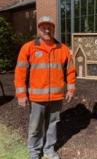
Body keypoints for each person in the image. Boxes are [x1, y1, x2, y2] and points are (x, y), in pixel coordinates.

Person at [14, 16, 76, 159]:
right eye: (44, 27)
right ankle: (34, 152)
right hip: (36, 98)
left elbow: (71, 71)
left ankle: (49, 150)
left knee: (52, 125)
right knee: (35, 126)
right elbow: (20, 73)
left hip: (56, 97)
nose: (47, 30)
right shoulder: (29, 47)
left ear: (54, 29)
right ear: (39, 29)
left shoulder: (64, 49)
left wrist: (71, 89)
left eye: (50, 27)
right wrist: (21, 95)